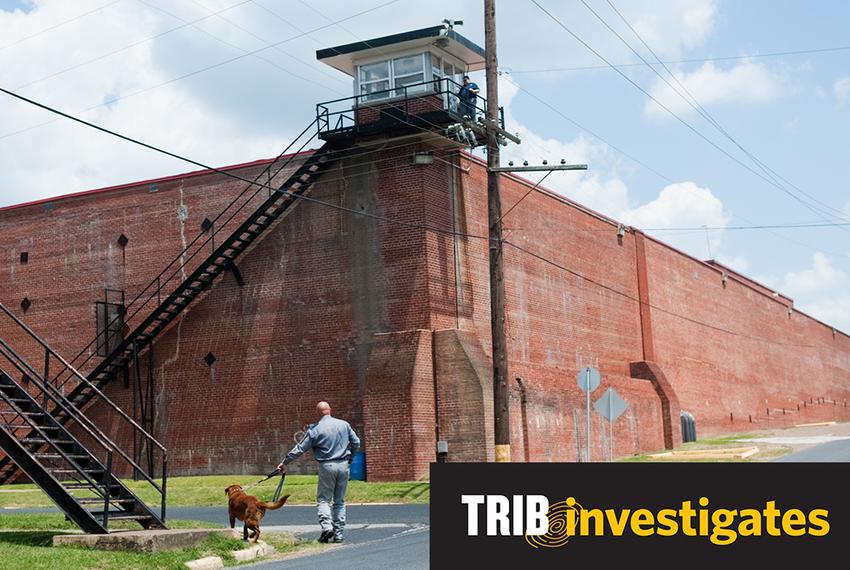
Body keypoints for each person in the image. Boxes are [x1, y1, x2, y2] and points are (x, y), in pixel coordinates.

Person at [277, 401, 360, 543]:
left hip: (327, 465)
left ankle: (327, 527)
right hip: (343, 464)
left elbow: (300, 448)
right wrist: (351, 457)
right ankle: (338, 534)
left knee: (323, 500)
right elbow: (356, 442)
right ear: (330, 410)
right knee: (339, 501)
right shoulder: (344, 425)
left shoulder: (315, 429)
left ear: (318, 412)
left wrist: (285, 462)